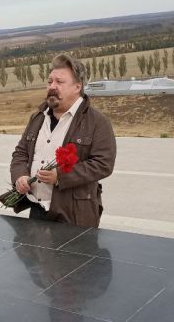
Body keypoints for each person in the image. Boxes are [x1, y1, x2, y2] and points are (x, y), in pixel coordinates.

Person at [10, 53, 116, 227]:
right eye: (49, 81)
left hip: (74, 214)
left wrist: (60, 176)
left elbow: (103, 164)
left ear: (77, 86)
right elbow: (21, 153)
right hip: (36, 210)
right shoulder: (37, 117)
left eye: (59, 82)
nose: (52, 86)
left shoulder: (97, 121)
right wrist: (20, 176)